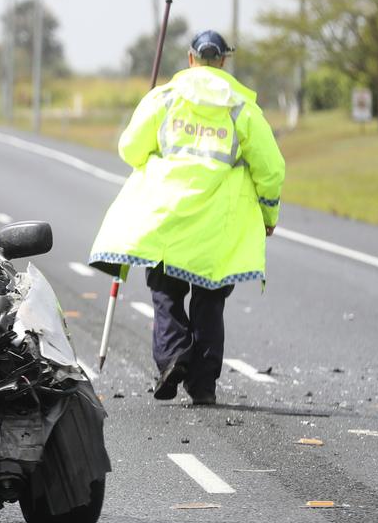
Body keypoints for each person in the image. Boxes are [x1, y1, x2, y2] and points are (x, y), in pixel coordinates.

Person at [88, 30, 286, 405]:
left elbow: (130, 149)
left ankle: (173, 355)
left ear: (191, 58)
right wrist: (268, 213)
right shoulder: (242, 109)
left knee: (165, 293)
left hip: (166, 221)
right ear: (223, 61)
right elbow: (271, 169)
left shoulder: (163, 99)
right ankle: (204, 386)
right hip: (217, 228)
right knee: (210, 303)